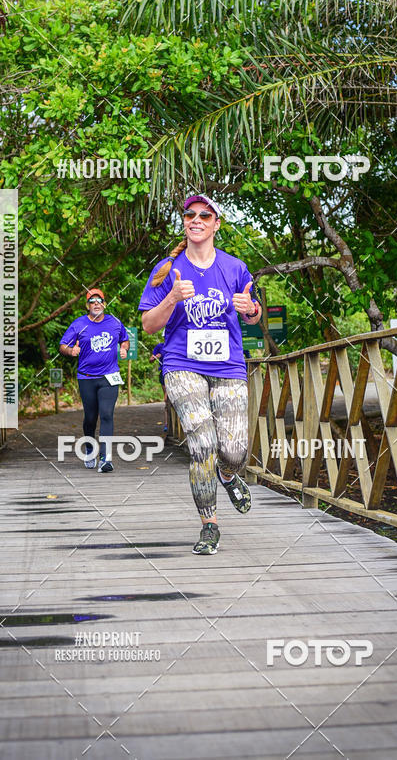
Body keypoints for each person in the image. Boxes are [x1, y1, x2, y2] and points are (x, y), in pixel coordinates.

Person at [139, 195, 262, 554]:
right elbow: (148, 325)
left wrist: (250, 309)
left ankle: (228, 475)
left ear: (216, 224)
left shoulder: (235, 267)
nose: (196, 220)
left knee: (235, 452)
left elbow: (254, 315)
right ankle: (209, 524)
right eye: (190, 215)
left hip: (228, 365)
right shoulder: (167, 269)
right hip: (181, 363)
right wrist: (172, 297)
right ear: (185, 222)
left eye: (204, 215)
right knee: (202, 442)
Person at [59, 288, 129, 472]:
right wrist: (71, 351)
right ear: (87, 305)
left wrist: (124, 349)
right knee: (90, 418)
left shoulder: (114, 322)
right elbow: (63, 346)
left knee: (106, 414)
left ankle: (105, 459)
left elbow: (125, 339)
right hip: (86, 377)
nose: (96, 303)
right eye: (92, 301)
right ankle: (90, 449)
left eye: (99, 300)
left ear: (104, 304)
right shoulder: (78, 324)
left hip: (109, 376)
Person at [149, 341, 168, 434]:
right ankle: (166, 423)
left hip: (176, 372)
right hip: (164, 373)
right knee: (167, 399)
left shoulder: (177, 343)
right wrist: (154, 357)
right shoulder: (160, 346)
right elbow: (151, 359)